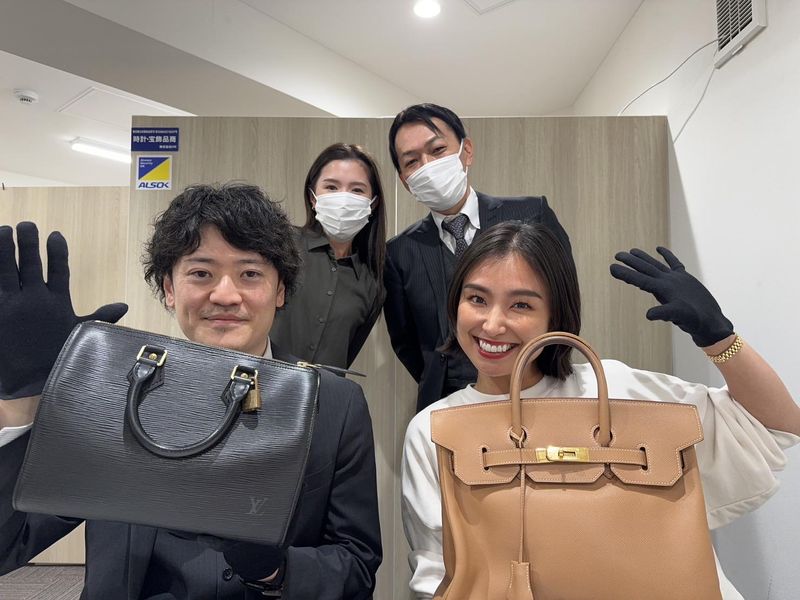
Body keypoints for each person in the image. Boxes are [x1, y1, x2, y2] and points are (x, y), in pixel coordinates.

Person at [0, 183, 382, 599]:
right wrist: (23, 401)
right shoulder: (110, 388)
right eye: (201, 273)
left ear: (280, 290)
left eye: (250, 274)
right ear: (169, 288)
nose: (225, 295)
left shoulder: (334, 404)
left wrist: (275, 569)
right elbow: (10, 543)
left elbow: (357, 568)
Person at [401, 221, 800, 599]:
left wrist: (718, 336)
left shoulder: (618, 390)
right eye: (477, 299)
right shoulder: (436, 430)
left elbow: (778, 427)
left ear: (555, 316)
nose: (492, 324)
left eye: (520, 305)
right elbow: (438, 573)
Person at [383, 102, 573, 412]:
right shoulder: (398, 252)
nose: (427, 165)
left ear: (466, 151)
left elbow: (563, 303)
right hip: (446, 401)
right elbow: (407, 343)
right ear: (405, 181)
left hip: (535, 391)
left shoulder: (531, 214)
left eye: (437, 150)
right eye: (412, 161)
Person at [271, 143, 387, 369]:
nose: (343, 199)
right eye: (331, 187)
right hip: (262, 384)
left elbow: (346, 354)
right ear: (313, 197)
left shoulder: (371, 281)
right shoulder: (282, 245)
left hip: (324, 390)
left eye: (357, 190)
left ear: (373, 203)